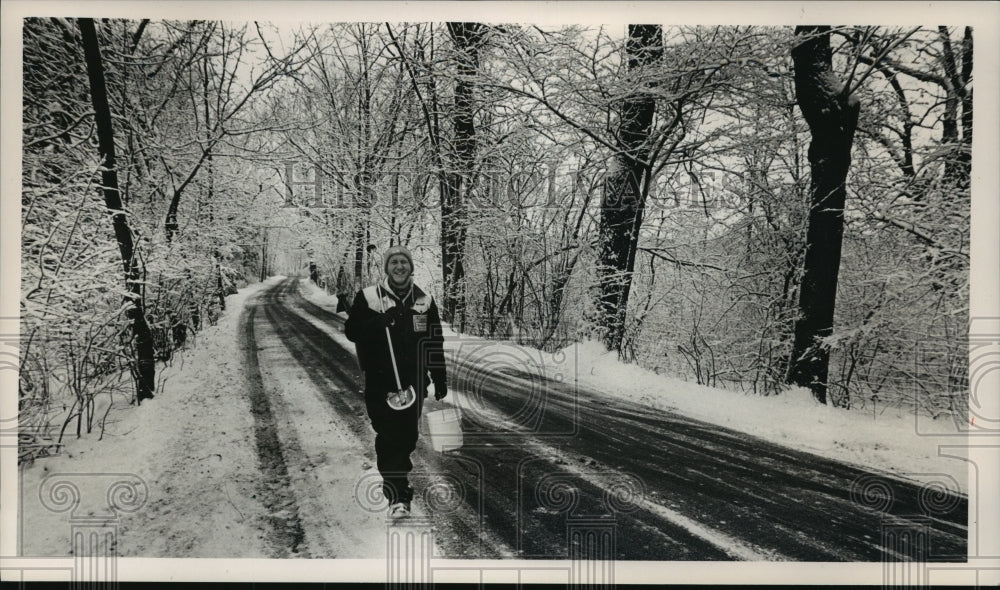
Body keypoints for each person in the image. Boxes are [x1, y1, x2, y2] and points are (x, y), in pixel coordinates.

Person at [344, 245, 447, 518]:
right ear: (387, 268)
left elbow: (434, 343)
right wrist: (379, 322)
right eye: (394, 263)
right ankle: (398, 496)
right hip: (381, 382)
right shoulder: (369, 297)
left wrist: (439, 376)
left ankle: (398, 482)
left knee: (408, 437)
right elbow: (352, 331)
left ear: (410, 267)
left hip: (414, 381)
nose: (399, 266)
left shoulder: (424, 301)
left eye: (404, 262)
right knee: (389, 437)